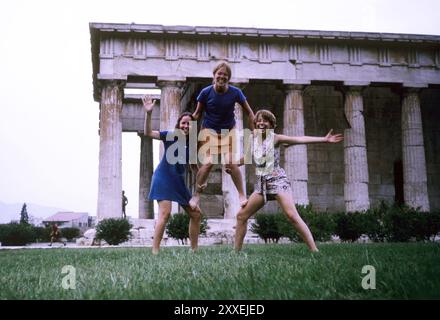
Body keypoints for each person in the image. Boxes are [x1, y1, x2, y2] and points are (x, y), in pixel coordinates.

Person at [232, 109, 343, 252]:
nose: (261, 123)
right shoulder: (252, 139)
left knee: (292, 216)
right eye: (259, 120)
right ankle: (235, 253)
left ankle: (314, 250)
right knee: (241, 216)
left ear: (271, 124)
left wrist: (324, 139)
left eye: (265, 120)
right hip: (261, 185)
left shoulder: (276, 138)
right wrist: (232, 164)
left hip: (278, 182)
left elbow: (299, 139)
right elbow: (246, 159)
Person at [189, 62, 255, 210]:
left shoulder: (236, 92)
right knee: (208, 163)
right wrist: (188, 127)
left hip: (228, 131)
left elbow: (249, 112)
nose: (222, 77)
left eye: (225, 75)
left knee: (231, 163)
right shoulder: (205, 92)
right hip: (209, 131)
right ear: (214, 75)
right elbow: (197, 113)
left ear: (229, 78)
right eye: (219, 74)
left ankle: (241, 195)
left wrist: (253, 130)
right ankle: (197, 194)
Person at [142, 95, 202, 255]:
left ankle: (194, 250)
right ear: (179, 125)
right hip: (164, 178)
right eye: (183, 123)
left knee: (196, 214)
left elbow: (195, 166)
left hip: (179, 182)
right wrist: (148, 113)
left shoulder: (193, 144)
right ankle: (155, 251)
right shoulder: (171, 135)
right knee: (165, 213)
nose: (186, 126)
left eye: (189, 124)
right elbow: (148, 133)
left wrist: (201, 181)